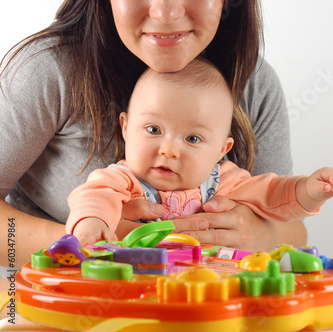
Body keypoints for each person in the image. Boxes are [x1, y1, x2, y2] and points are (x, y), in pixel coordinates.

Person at [0, 0, 307, 269]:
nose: (165, 12)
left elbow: (293, 230)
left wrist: (261, 236)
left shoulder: (253, 84)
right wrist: (92, 245)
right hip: (50, 303)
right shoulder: (50, 72)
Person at [67, 58, 333, 246]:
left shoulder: (224, 182)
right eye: (153, 130)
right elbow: (94, 196)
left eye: (192, 138)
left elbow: (273, 195)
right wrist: (91, 223)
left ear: (221, 150)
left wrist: (308, 191)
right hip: (138, 287)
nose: (169, 149)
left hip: (209, 291)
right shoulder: (122, 180)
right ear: (125, 128)